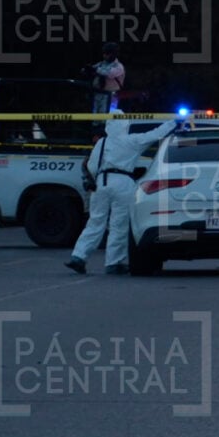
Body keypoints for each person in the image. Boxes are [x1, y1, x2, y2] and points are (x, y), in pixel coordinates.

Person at [65, 109, 181, 275]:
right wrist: (174, 122)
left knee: (95, 221)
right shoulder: (131, 141)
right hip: (123, 182)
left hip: (101, 182)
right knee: (119, 225)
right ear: (126, 124)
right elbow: (155, 134)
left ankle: (79, 257)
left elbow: (92, 166)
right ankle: (114, 263)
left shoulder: (102, 142)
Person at [84, 42, 126, 113]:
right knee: (94, 116)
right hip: (97, 94)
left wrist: (95, 70)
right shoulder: (101, 63)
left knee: (105, 117)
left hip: (110, 96)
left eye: (107, 53)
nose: (104, 55)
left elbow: (109, 74)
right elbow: (90, 70)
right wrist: (87, 69)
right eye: (104, 53)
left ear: (113, 54)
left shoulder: (119, 66)